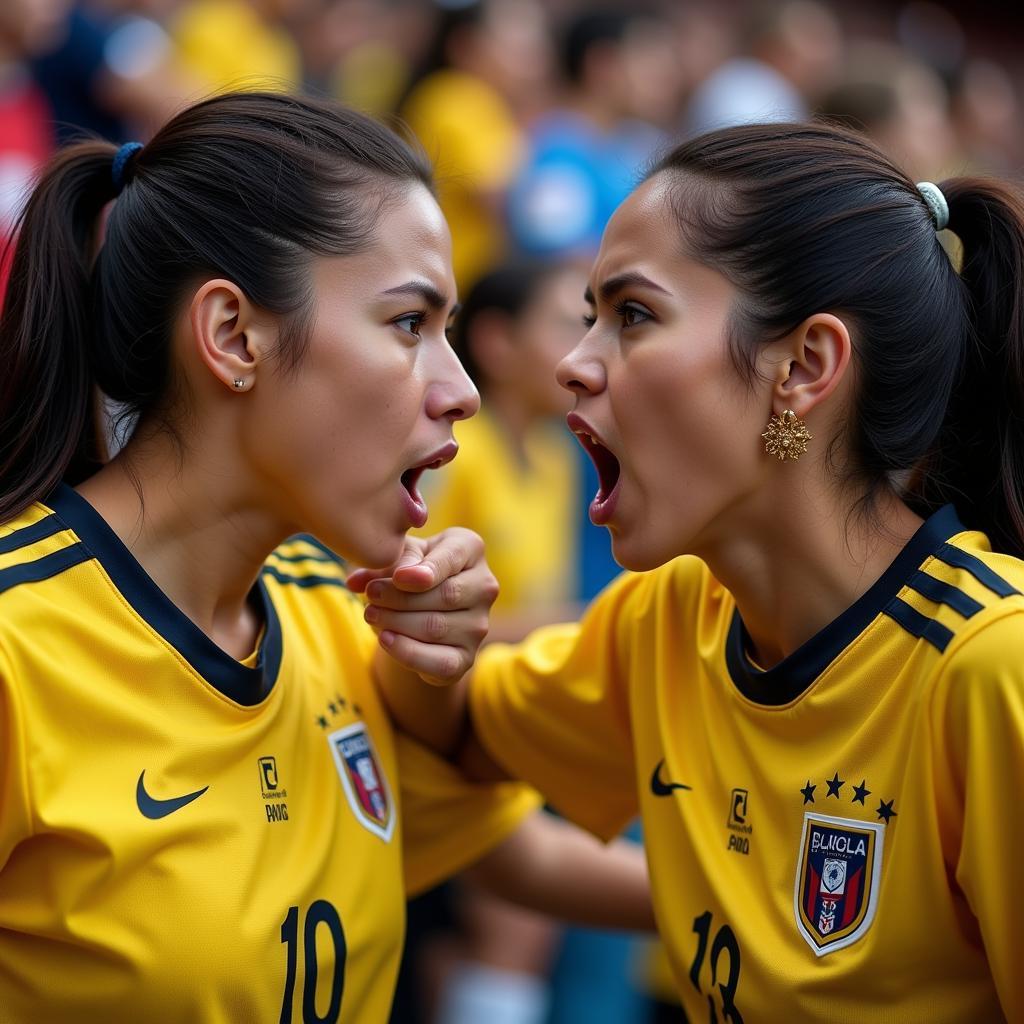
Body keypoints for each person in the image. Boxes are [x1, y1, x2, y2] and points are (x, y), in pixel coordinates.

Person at [0, 91, 653, 1022]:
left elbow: (505, 854)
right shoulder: (19, 645)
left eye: (450, 331)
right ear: (233, 336)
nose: (459, 390)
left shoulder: (333, 607)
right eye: (407, 325)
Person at [368, 121, 1024, 1020]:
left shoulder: (995, 670)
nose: (572, 362)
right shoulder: (672, 615)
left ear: (805, 366)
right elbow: (451, 744)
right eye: (589, 313)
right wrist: (434, 634)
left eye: (632, 315)